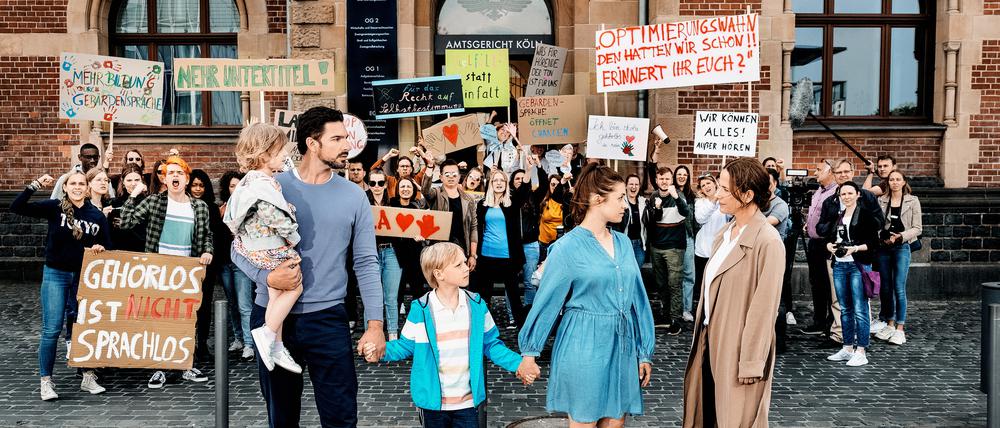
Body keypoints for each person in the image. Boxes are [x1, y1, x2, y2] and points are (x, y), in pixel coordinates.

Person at [231, 107, 385, 427]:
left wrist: (375, 324)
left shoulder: (354, 197)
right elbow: (236, 248)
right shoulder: (271, 185)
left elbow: (367, 262)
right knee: (282, 418)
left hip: (329, 320)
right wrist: (267, 275)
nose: (348, 144)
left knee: (341, 417)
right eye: (338, 138)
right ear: (313, 144)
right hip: (274, 318)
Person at [518, 163, 655, 427]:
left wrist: (644, 351)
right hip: (583, 344)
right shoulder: (566, 248)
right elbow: (546, 302)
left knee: (615, 423)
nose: (625, 205)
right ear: (596, 199)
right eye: (619, 198)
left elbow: (638, 299)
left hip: (622, 346)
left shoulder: (624, 243)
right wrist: (530, 352)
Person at [369, 242, 535, 426]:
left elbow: (492, 344)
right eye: (458, 265)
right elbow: (404, 345)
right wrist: (380, 351)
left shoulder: (477, 305)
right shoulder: (421, 309)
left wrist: (519, 364)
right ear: (438, 274)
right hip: (433, 405)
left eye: (465, 262)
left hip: (468, 404)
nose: (467, 268)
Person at [682, 157, 785, 427]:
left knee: (734, 419)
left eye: (725, 190)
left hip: (738, 352)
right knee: (706, 416)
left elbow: (765, 310)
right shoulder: (726, 233)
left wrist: (751, 362)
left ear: (748, 195)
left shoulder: (768, 242)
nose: (717, 196)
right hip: (708, 342)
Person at [12, 171, 111, 401]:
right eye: (72, 183)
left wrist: (100, 248)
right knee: (52, 329)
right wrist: (35, 184)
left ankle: (88, 376)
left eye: (81, 184)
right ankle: (46, 382)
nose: (77, 187)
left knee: (84, 327)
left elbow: (107, 245)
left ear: (88, 188)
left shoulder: (96, 216)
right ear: (65, 187)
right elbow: (17, 207)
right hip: (55, 274)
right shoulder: (55, 207)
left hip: (83, 277)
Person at [117, 156, 213, 388]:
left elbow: (207, 235)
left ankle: (185, 365)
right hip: (158, 269)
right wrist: (133, 195)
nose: (175, 176)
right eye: (170, 173)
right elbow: (126, 222)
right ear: (165, 179)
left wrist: (207, 251)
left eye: (179, 173)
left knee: (186, 318)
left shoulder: (199, 207)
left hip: (186, 271)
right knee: (158, 319)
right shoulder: (154, 202)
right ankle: (159, 368)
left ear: (187, 179)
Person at [224, 123, 304, 375]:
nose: (286, 156)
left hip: (252, 246)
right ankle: (268, 332)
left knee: (275, 293)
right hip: (269, 247)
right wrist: (292, 230)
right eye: (281, 151)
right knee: (294, 286)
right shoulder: (262, 184)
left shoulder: (251, 181)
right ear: (265, 154)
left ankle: (277, 346)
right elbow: (272, 213)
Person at [819, 159, 884, 337]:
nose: (843, 175)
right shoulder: (830, 201)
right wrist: (833, 230)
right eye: (839, 172)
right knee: (838, 300)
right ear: (834, 174)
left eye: (846, 171)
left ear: (853, 172)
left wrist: (861, 224)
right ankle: (842, 336)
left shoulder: (866, 197)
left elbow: (880, 222)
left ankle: (861, 336)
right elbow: (821, 228)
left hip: (860, 258)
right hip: (837, 258)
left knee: (861, 301)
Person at [820, 181, 880, 367]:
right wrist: (829, 245)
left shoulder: (866, 216)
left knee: (860, 310)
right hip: (839, 265)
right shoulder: (838, 216)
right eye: (842, 194)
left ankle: (861, 350)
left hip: (858, 265)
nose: (846, 197)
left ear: (858, 194)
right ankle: (847, 348)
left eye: (849, 193)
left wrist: (854, 248)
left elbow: (874, 243)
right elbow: (831, 238)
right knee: (845, 309)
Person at [473, 169, 527, 327]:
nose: (498, 183)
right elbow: (476, 228)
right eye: (495, 180)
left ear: (506, 184)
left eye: (502, 181)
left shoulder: (511, 203)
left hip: (508, 258)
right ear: (490, 183)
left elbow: (524, 189)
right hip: (486, 256)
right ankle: (482, 329)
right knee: (484, 296)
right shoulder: (482, 205)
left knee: (514, 297)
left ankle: (523, 333)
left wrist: (529, 168)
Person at [874, 169, 922, 345]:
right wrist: (882, 236)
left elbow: (917, 228)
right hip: (884, 248)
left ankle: (900, 328)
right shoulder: (881, 200)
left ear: (903, 182)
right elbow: (876, 223)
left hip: (902, 247)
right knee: (885, 287)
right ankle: (890, 323)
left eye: (897, 179)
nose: (894, 182)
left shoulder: (913, 201)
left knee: (898, 287)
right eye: (891, 179)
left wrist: (900, 236)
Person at [643, 166, 688, 334]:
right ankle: (665, 314)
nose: (664, 181)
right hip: (657, 246)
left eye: (667, 179)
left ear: (671, 180)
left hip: (674, 247)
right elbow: (655, 220)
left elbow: (686, 213)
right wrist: (657, 209)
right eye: (661, 179)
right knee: (661, 284)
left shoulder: (678, 195)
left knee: (674, 284)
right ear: (656, 180)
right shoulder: (654, 196)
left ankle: (676, 319)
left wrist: (676, 198)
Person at [189, 169, 227, 363]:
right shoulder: (184, 205)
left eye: (201, 185)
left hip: (207, 265)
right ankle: (187, 346)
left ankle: (202, 344)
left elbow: (217, 237)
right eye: (194, 185)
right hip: (187, 263)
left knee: (204, 307)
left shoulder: (212, 208)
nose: (197, 189)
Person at [218, 170, 255, 360]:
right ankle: (238, 339)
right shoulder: (222, 208)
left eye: (239, 185)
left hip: (242, 262)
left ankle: (249, 344)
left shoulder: (249, 208)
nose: (236, 189)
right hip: (225, 261)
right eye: (232, 185)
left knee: (244, 304)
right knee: (232, 303)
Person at [801, 159, 841, 340]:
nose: (815, 173)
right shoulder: (818, 191)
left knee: (827, 284)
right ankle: (818, 320)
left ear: (831, 172)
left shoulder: (836, 192)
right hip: (814, 243)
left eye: (818, 170)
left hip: (827, 243)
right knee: (815, 282)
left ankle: (829, 322)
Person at [421, 156, 479, 272]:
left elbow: (473, 227)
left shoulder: (469, 199)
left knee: (460, 284)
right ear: (441, 177)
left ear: (459, 176)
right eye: (447, 175)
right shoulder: (436, 194)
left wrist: (472, 255)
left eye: (454, 174)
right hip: (440, 250)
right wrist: (430, 166)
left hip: (461, 250)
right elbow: (425, 190)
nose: (451, 177)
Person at [366, 169, 404, 339]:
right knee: (372, 297)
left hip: (391, 251)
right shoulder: (362, 202)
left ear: (385, 184)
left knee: (391, 296)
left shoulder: (394, 203)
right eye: (373, 183)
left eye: (380, 183)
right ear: (369, 184)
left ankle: (393, 334)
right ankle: (372, 335)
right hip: (370, 252)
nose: (376, 187)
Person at [390, 177, 428, 315]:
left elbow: (424, 228)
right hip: (395, 253)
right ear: (398, 190)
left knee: (417, 286)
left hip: (413, 252)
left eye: (408, 187)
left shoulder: (416, 207)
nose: (405, 189)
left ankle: (418, 314)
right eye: (402, 187)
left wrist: (422, 236)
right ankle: (394, 321)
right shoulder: (391, 206)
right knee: (396, 287)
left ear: (413, 191)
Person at [693, 174, 727, 307]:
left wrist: (721, 198)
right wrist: (713, 201)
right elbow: (700, 218)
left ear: (715, 184)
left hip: (719, 249)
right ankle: (704, 310)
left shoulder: (724, 200)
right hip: (703, 251)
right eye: (703, 185)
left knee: (718, 282)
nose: (706, 186)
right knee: (704, 283)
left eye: (708, 183)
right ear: (701, 190)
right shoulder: (700, 203)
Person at [674, 165, 697, 322]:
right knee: (675, 275)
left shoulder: (691, 195)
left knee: (689, 275)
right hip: (673, 237)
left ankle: (687, 309)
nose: (682, 176)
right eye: (679, 174)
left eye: (685, 174)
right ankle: (674, 307)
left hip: (688, 237)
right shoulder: (670, 192)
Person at [610, 174, 647, 267]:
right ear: (626, 186)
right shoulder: (620, 202)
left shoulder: (644, 202)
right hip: (625, 243)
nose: (633, 187)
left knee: (637, 271)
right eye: (631, 184)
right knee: (626, 270)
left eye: (636, 184)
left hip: (639, 244)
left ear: (639, 186)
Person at [108, 164, 147, 252]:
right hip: (119, 254)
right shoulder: (114, 203)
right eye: (129, 180)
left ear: (142, 180)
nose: (133, 184)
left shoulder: (148, 202)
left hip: (142, 253)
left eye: (137, 180)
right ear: (123, 181)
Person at [537, 172, 572, 260]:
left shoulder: (566, 201)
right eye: (553, 184)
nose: (555, 187)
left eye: (558, 184)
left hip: (560, 242)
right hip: (543, 242)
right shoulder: (543, 200)